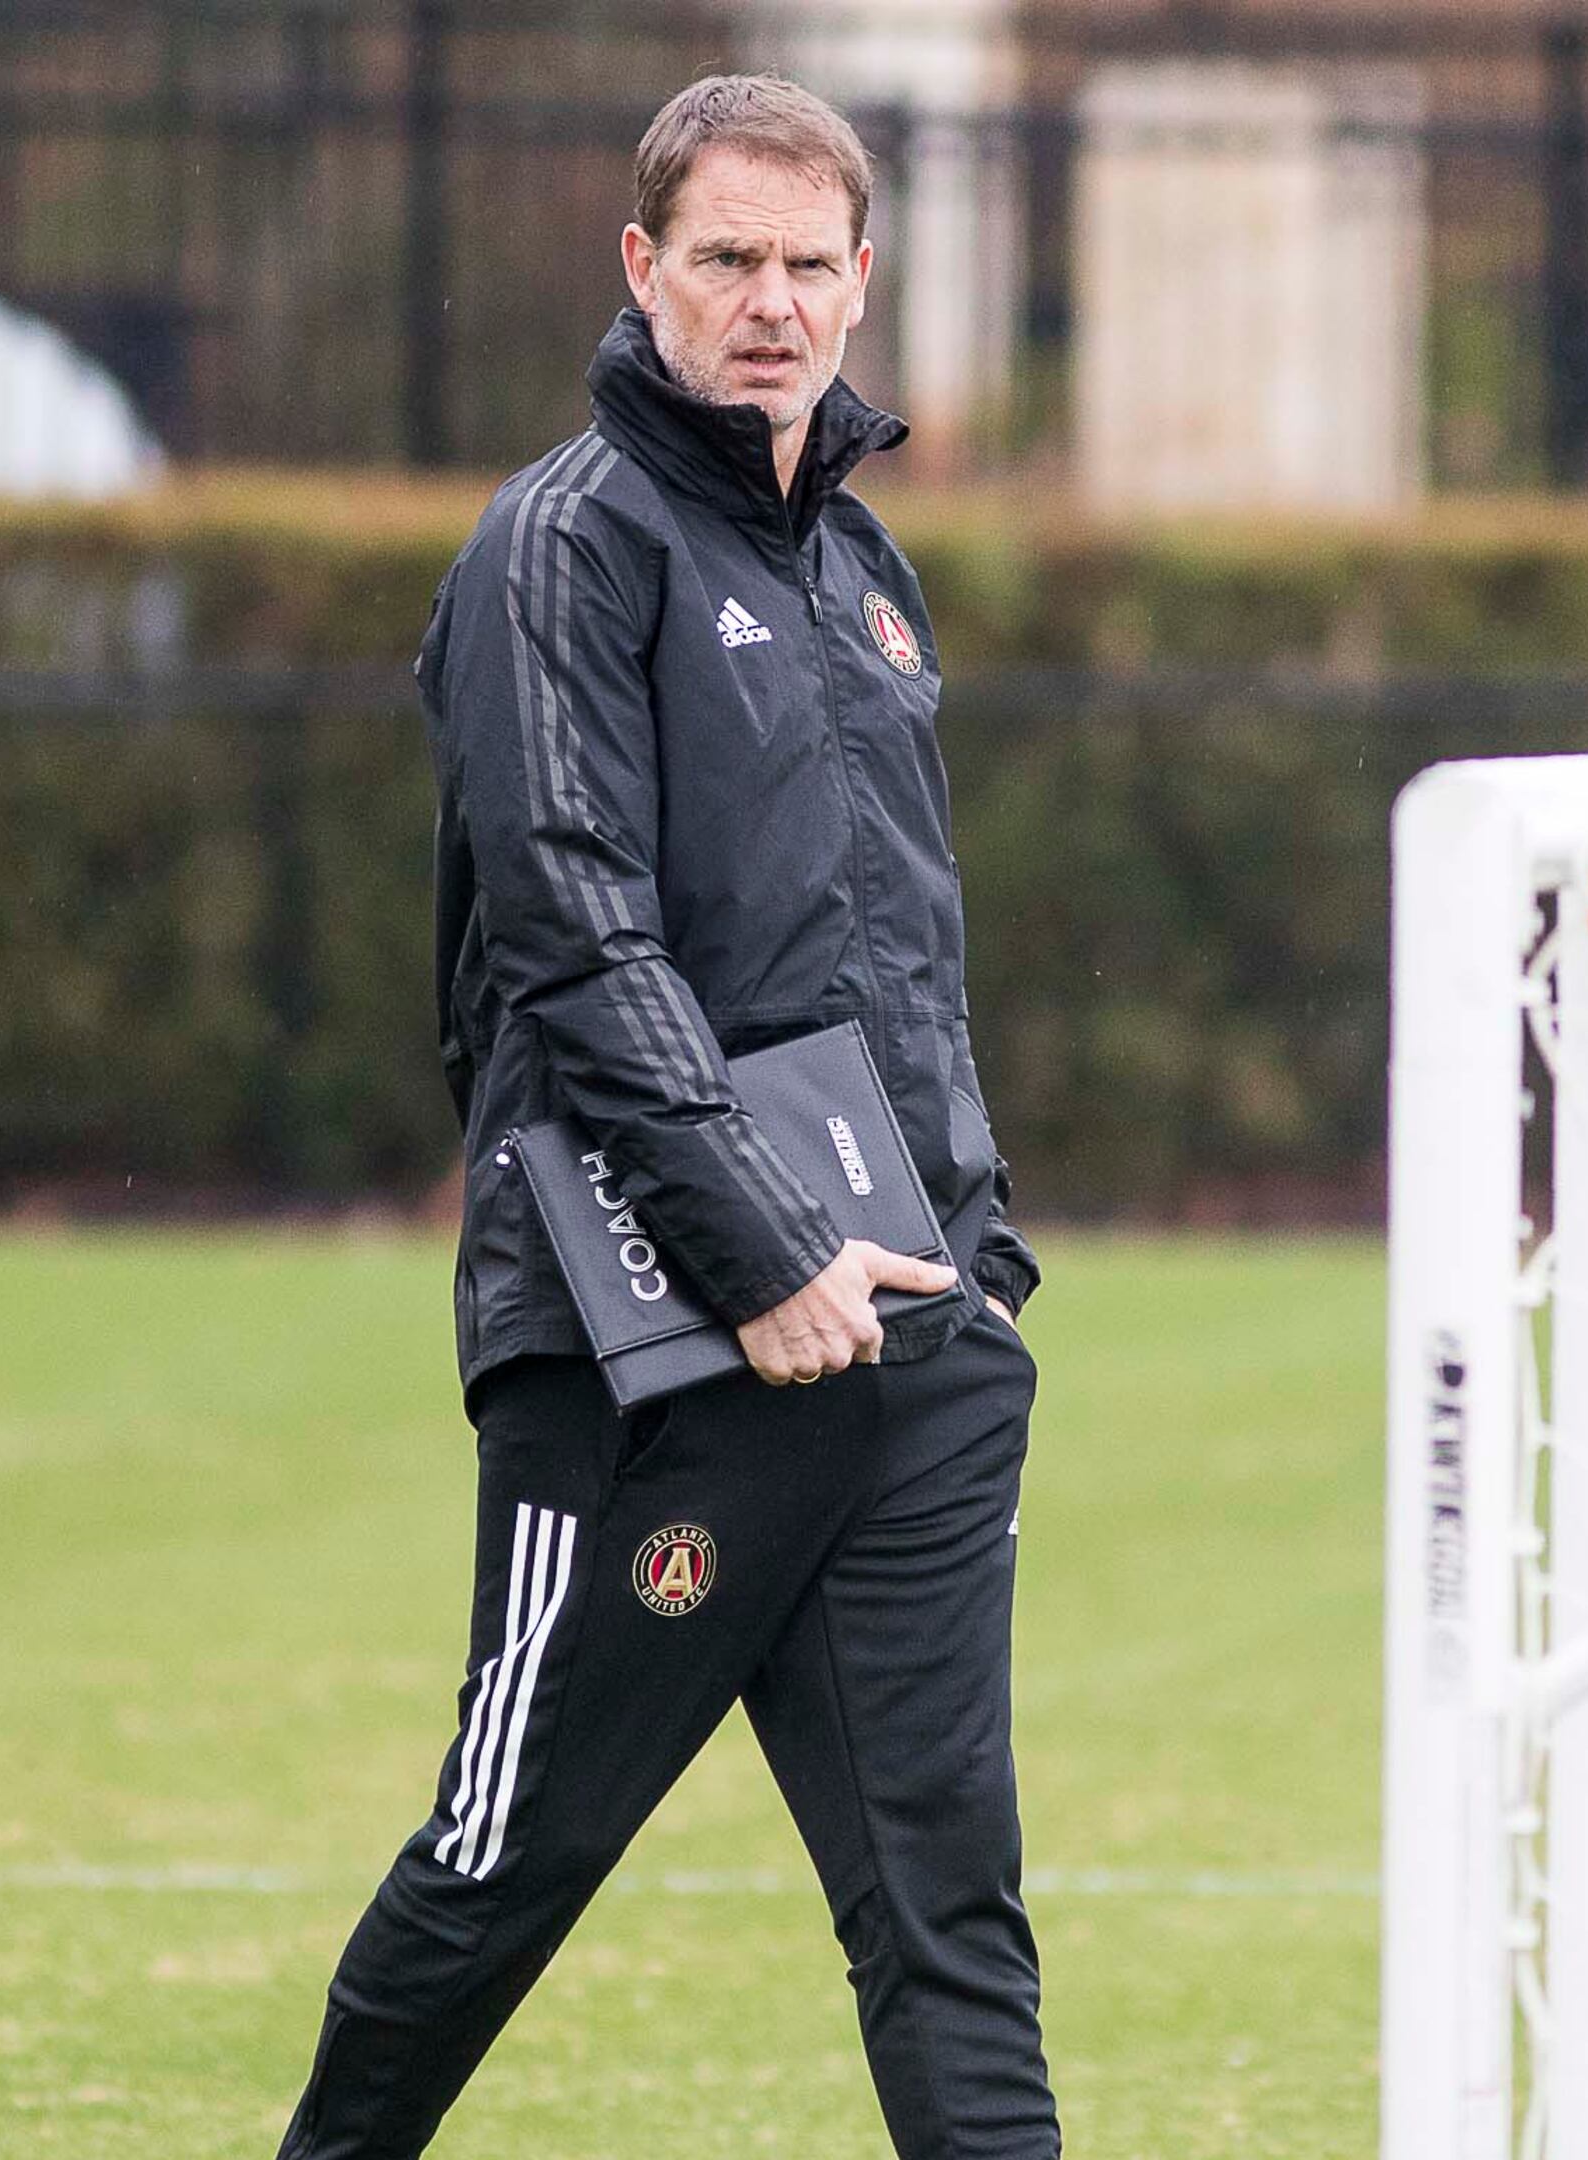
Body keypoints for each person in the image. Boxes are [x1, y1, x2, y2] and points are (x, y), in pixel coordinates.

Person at [273, 73, 1058, 2160]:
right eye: (728, 259)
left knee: (948, 1920)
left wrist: (960, 1255)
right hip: (652, 1350)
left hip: (900, 1343)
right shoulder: (561, 547)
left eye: (812, 265)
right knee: (501, 1859)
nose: (773, 305)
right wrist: (758, 1249)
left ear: (862, 281)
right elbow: (567, 934)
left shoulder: (865, 567)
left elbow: (896, 960)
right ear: (642, 268)